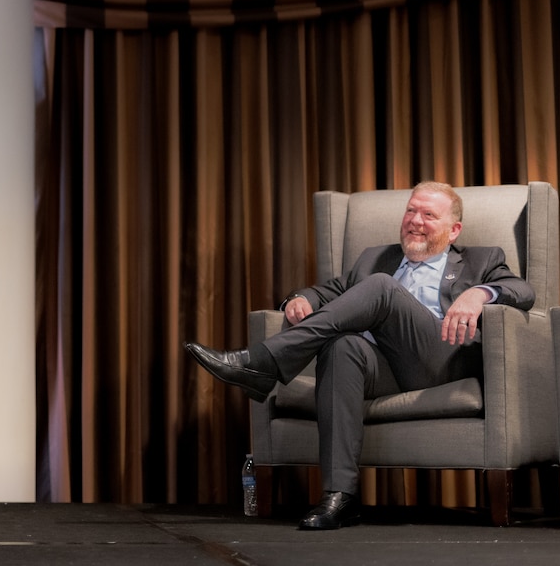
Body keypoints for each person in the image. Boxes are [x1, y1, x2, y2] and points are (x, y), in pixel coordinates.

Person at [185, 181, 534, 531]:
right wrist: (298, 299)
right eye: (411, 210)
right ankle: (340, 497)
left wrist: (480, 293)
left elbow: (523, 291)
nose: (415, 220)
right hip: (384, 367)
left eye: (429, 215)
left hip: (441, 361)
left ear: (453, 229)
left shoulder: (481, 258)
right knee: (342, 347)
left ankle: (262, 362)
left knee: (382, 287)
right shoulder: (375, 258)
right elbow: (327, 291)